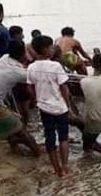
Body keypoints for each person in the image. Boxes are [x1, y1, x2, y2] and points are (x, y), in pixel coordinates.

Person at [0, 40, 39, 156]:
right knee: (23, 132)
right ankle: (38, 154)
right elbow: (38, 77)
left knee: (13, 128)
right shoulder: (17, 72)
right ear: (22, 54)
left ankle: (15, 149)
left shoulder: (4, 58)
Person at [27, 35, 71, 177]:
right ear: (46, 49)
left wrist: (36, 99)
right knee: (63, 138)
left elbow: (30, 87)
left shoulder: (31, 67)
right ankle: (64, 167)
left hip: (44, 107)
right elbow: (64, 88)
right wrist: (67, 105)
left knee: (50, 137)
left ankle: (56, 168)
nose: (53, 49)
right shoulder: (55, 66)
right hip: (59, 107)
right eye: (51, 46)